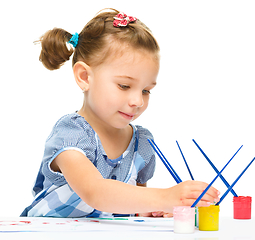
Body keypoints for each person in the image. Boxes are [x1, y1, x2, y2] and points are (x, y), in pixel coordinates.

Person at [21, 9, 220, 218]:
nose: (138, 101)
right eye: (124, 86)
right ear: (84, 77)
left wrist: (152, 211)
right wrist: (167, 197)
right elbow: (95, 192)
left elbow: (133, 205)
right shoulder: (71, 134)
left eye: (146, 90)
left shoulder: (142, 143)